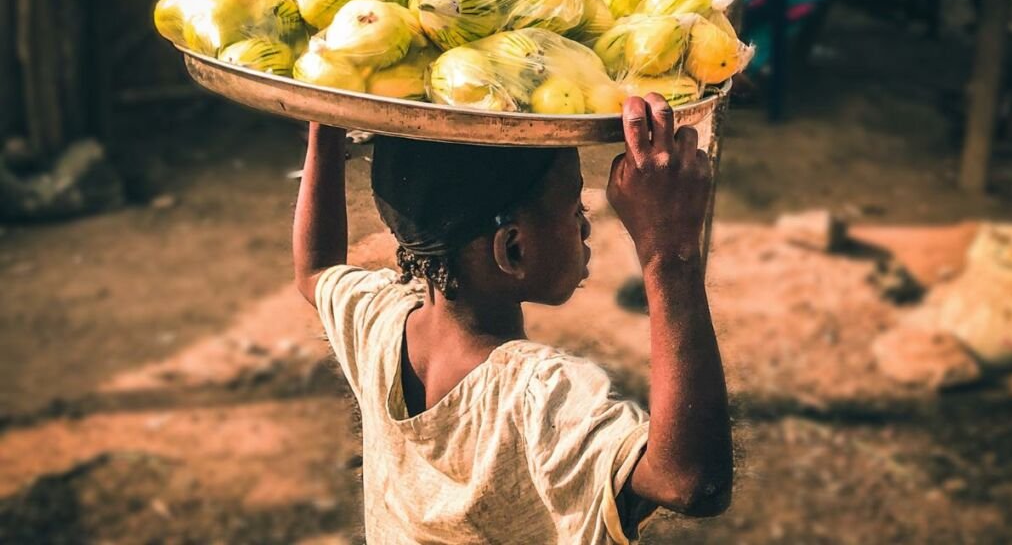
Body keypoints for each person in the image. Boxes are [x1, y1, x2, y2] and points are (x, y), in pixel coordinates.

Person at [293, 94, 732, 543]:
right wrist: (667, 250)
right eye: (574, 208)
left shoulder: (378, 324)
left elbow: (316, 269)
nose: (585, 227)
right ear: (513, 249)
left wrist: (325, 123)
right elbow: (688, 482)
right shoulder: (540, 400)